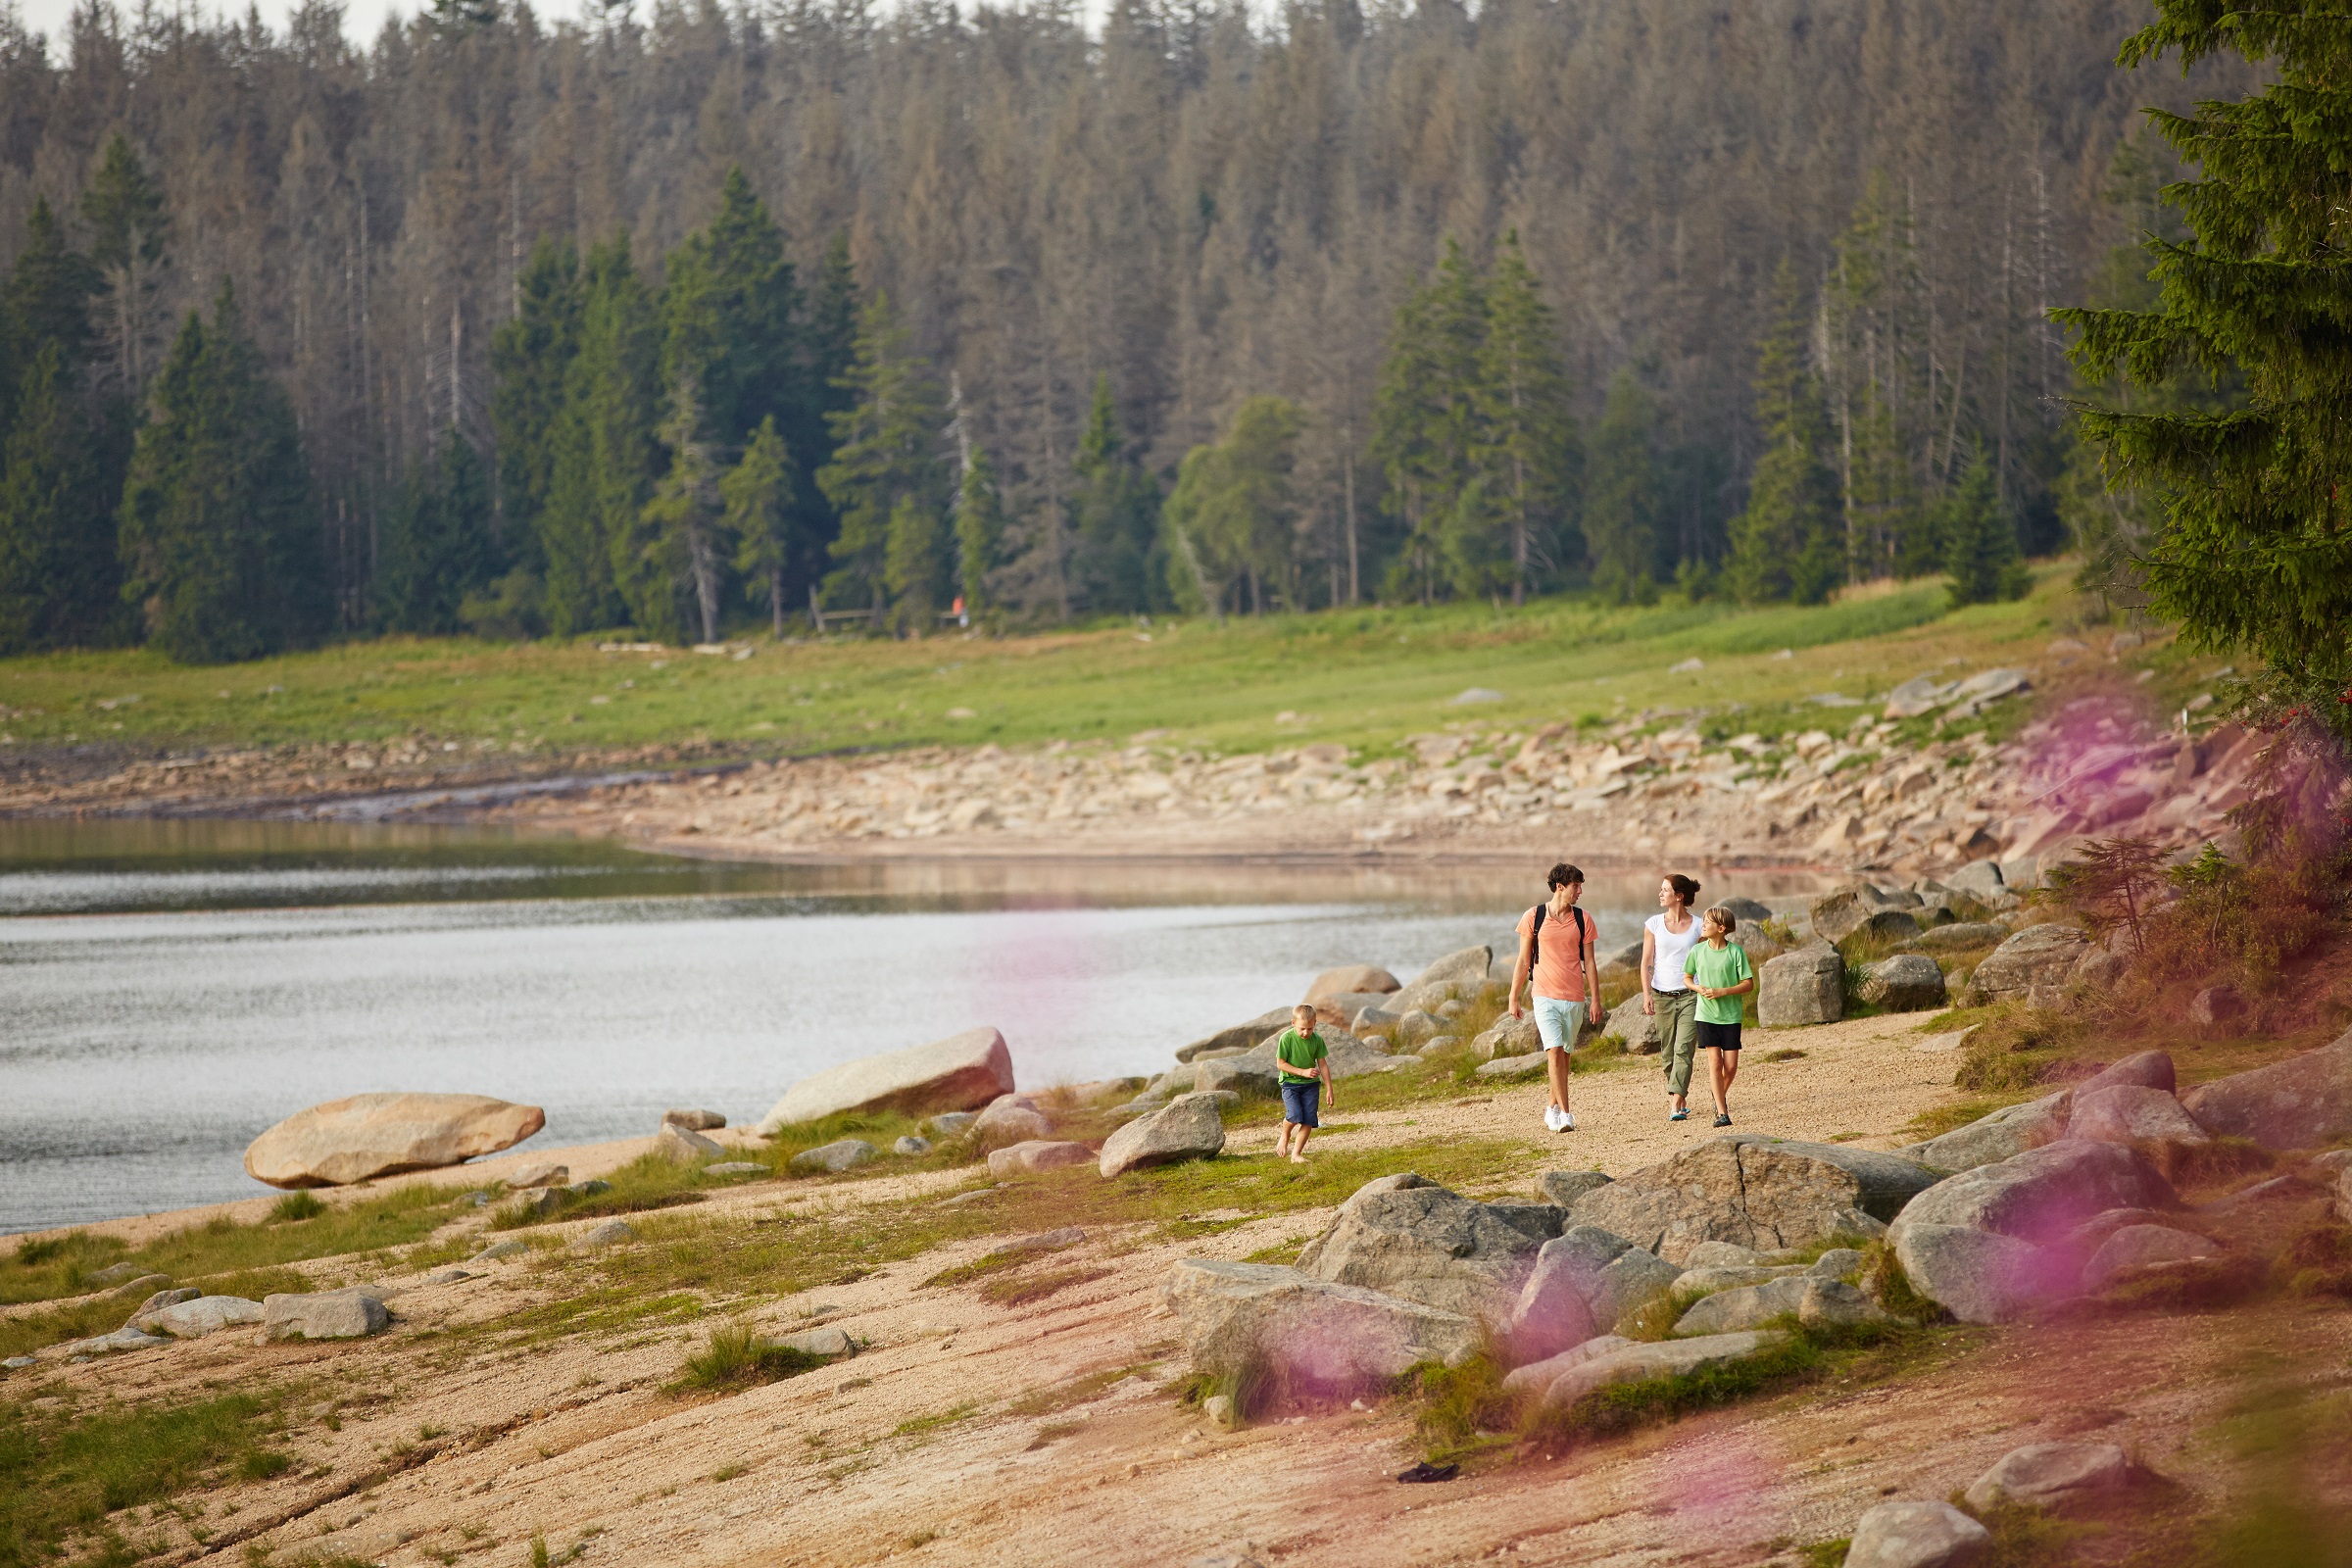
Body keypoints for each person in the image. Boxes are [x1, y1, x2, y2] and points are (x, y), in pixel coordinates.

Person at [1508, 862, 1605, 1133]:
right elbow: (1523, 960)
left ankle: (1551, 1107)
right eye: (1576, 886)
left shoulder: (1583, 919)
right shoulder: (1534, 916)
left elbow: (1591, 962)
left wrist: (1595, 999)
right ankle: (1566, 1114)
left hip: (1574, 996)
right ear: (1560, 886)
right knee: (1554, 1052)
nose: (1580, 891)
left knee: (1565, 1056)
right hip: (1543, 995)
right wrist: (1513, 997)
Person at [1683, 905, 1757, 1128]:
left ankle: (1717, 1094)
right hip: (1705, 1015)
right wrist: (1698, 989)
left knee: (1731, 1066)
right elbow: (1687, 978)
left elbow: (1748, 984)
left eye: (1707, 922)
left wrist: (1723, 992)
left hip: (1731, 1016)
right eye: (1703, 921)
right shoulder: (1697, 951)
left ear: (1722, 928)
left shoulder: (1736, 952)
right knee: (1715, 1062)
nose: (1703, 925)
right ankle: (1722, 1112)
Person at [1642, 873, 1705, 1123]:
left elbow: (1709, 958)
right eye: (1660, 889)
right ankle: (1679, 1095)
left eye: (1665, 890)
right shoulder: (1654, 924)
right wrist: (1647, 994)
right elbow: (1647, 961)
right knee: (1668, 1052)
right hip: (1662, 995)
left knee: (1684, 1048)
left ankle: (1676, 1101)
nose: (1660, 893)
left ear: (1679, 896)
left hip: (1691, 994)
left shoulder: (1700, 925)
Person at [1273, 1003, 1334, 1162]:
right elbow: (1281, 1064)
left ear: (1315, 1024)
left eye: (1310, 1028)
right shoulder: (1286, 1039)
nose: (1306, 1033)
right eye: (1302, 1028)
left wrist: (1329, 1089)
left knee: (1308, 1120)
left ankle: (1296, 1154)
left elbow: (1323, 1064)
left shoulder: (1317, 1040)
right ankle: (1285, 1135)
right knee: (1294, 1116)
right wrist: (1303, 1072)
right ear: (1293, 1023)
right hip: (1290, 1084)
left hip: (1311, 1086)